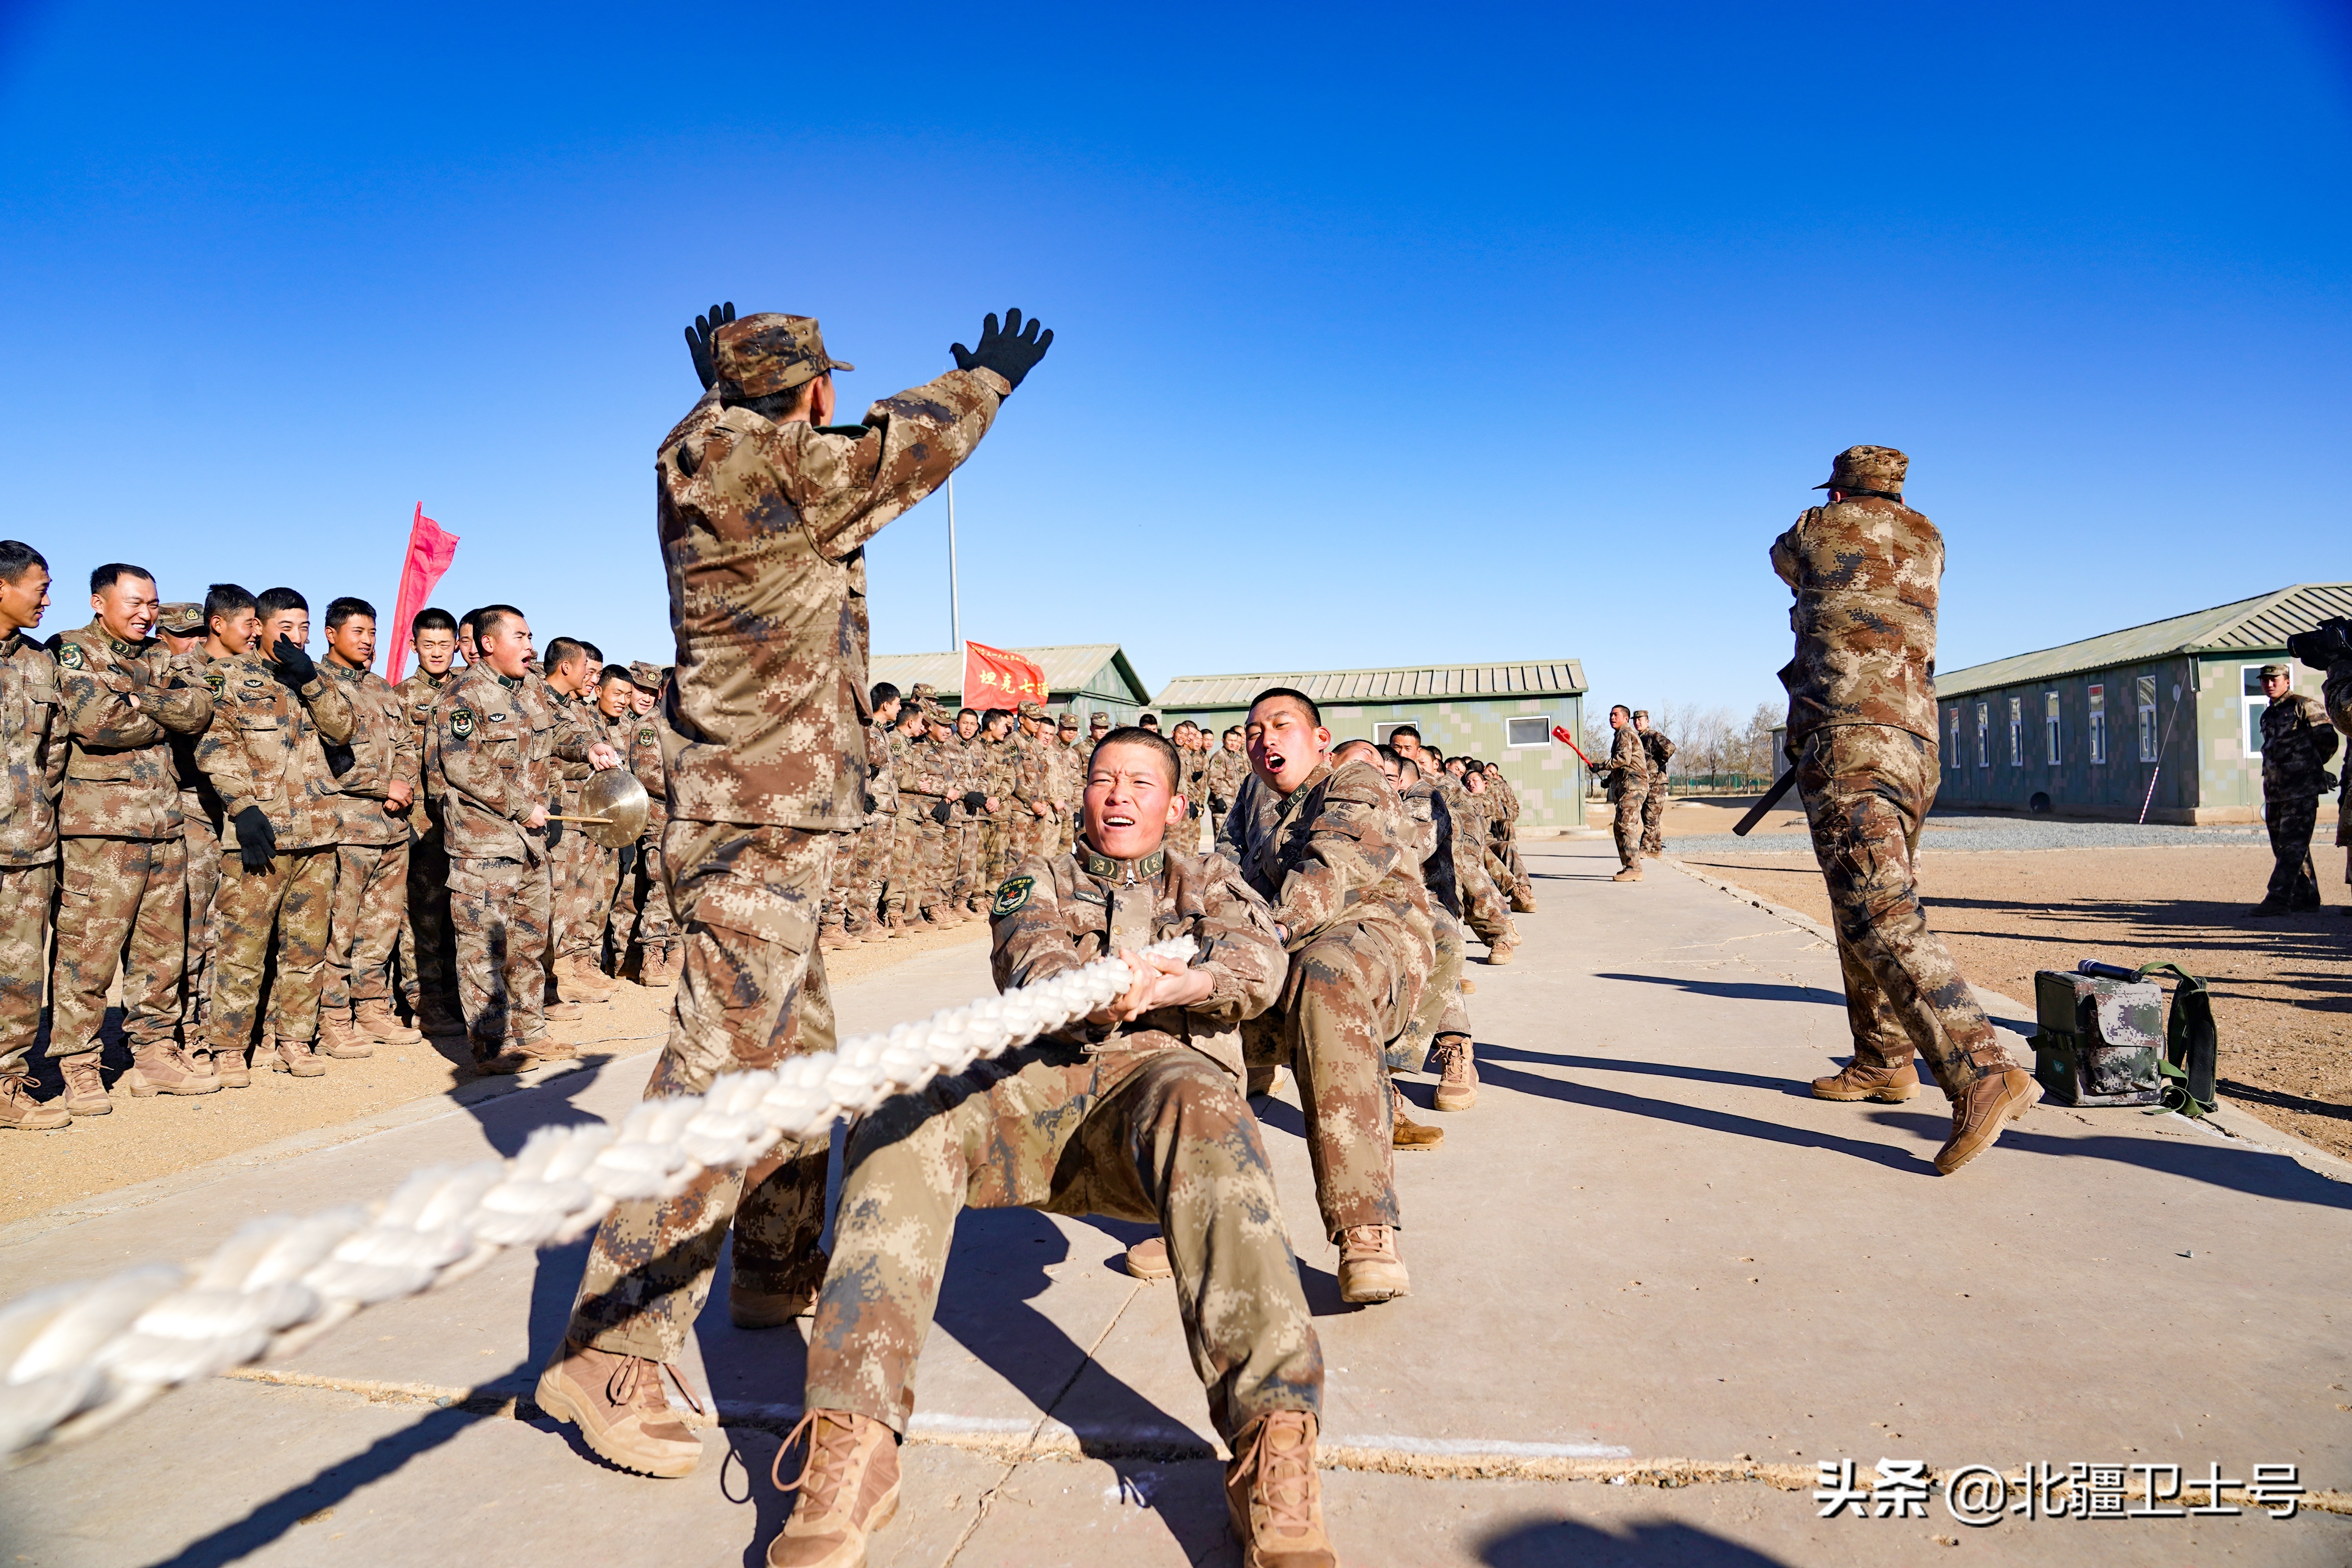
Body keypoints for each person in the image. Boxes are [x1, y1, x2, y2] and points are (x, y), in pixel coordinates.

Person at [537, 303, 1053, 1479]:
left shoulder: (694, 455)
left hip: (755, 808)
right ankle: (609, 1347)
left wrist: (712, 384)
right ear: (808, 392)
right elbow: (903, 450)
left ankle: (772, 1273)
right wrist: (983, 380)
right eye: (823, 384)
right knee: (713, 1070)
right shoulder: (790, 460)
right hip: (758, 815)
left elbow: (736, 429)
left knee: (798, 1054)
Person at [768, 724, 1336, 1568]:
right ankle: (855, 1439)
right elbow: (1029, 954)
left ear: (1176, 804)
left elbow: (1261, 958)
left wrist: (1191, 981)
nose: (1118, 794)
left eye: (1141, 782)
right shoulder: (1035, 877)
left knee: (1212, 1110)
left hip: (1156, 1095)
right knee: (894, 1112)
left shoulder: (1215, 878)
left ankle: (1274, 1447)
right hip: (1031, 1096)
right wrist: (1089, 992)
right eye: (1104, 779)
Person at [1779, 445, 2037, 1174]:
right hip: (1914, 741)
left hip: (1847, 736)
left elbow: (1783, 562)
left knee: (1875, 909)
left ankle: (1981, 1070)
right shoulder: (1929, 535)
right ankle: (1884, 1057)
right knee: (1867, 899)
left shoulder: (1814, 527)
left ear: (1838, 488)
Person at [1230, 688, 1429, 1303]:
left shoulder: (1355, 780)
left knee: (1323, 977)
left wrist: (1267, 935)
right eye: (1253, 731)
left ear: (1320, 739)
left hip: (1373, 941)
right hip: (1281, 946)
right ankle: (1186, 1208)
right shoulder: (1254, 804)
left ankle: (1365, 1228)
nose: (1265, 740)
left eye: (1281, 725)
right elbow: (1223, 873)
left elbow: (1331, 869)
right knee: (1179, 998)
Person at [50, 563, 218, 1108]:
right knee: (89, 954)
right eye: (134, 603)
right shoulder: (72, 650)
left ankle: (154, 1055)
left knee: (162, 953)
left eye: (153, 604)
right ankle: (79, 1064)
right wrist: (159, 707)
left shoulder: (162, 656)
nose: (146, 614)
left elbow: (197, 712)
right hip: (101, 832)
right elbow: (97, 722)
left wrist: (140, 698)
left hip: (164, 825)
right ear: (100, 603)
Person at [424, 604, 613, 1071]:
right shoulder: (461, 696)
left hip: (533, 841)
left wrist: (588, 746)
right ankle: (493, 1046)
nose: (531, 647)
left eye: (531, 637)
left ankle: (532, 1032)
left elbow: (563, 729)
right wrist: (518, 806)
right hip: (484, 843)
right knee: (485, 947)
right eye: (521, 637)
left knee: (528, 942)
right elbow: (465, 766)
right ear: (489, 644)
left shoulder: (530, 688)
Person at [196, 586, 357, 1081]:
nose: (297, 637)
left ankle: (294, 1039)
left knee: (306, 950)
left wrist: (310, 682)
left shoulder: (317, 678)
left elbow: (344, 730)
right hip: (259, 835)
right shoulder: (227, 677)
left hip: (318, 834)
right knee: (242, 946)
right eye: (287, 627)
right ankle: (228, 1046)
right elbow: (215, 746)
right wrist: (241, 807)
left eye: (305, 628)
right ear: (260, 627)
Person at [318, 596, 424, 1055]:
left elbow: (407, 745)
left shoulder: (383, 689)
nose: (367, 641)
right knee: (340, 928)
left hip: (392, 827)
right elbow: (325, 762)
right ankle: (334, 1016)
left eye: (373, 633)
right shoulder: (317, 687)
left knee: (381, 927)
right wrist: (384, 785)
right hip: (348, 826)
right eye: (358, 632)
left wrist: (401, 781)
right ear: (331, 634)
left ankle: (373, 1008)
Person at [1333, 737, 1446, 1152]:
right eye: (1355, 764)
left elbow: (1414, 856)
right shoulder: (1317, 797)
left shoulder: (1404, 805)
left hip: (1378, 906)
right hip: (1314, 912)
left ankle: (1401, 1073)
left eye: (1379, 768)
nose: (1368, 774)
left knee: (1442, 943)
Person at [0, 542, 69, 1129]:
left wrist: (35, 808)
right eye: (39, 588)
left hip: (27, 844)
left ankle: (6, 1085)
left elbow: (55, 752)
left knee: (20, 974)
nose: (47, 599)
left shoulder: (39, 663)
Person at [1383, 745, 1478, 1113]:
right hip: (1368, 899)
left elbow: (1413, 847)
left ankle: (1456, 1046)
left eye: (1388, 778)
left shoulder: (1423, 796)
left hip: (1425, 898)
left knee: (1438, 945)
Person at [154, 597, 231, 1045]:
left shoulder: (212, 675)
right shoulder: (164, 674)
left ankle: (207, 1020)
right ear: (161, 635)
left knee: (218, 923)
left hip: (219, 810)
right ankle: (183, 1025)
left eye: (198, 634)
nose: (192, 643)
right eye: (181, 635)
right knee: (190, 925)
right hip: (185, 811)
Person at [1385, 725, 1515, 963]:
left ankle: (1502, 935)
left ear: (1418, 750)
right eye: (1397, 747)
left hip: (1456, 838)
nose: (1402, 752)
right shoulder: (1386, 772)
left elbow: (1461, 813)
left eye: (1408, 748)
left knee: (1467, 877)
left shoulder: (1434, 781)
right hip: (1417, 848)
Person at [396, 607, 465, 1035]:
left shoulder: (468, 691)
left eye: (445, 644)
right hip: (423, 823)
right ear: (413, 646)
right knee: (423, 915)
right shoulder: (400, 695)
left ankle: (459, 997)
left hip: (466, 822)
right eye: (428, 644)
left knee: (460, 915)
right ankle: (426, 1001)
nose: (437, 652)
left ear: (457, 644)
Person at [539, 636, 614, 1009]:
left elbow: (575, 744)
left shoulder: (576, 708)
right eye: (589, 668)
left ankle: (576, 965)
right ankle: (563, 973)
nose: (591, 677)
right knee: (560, 898)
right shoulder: (538, 700)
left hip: (583, 811)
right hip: (559, 812)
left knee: (583, 896)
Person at [2249, 662, 2337, 915]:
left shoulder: (2304, 705)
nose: (2269, 684)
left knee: (2293, 845)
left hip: (2302, 789)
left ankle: (2278, 899)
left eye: (2275, 679)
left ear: (2287, 681)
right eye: (2265, 680)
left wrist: (2312, 767)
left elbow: (2328, 739)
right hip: (2276, 790)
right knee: (2285, 846)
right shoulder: (2268, 714)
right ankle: (2306, 896)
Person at [1594, 705, 1651, 882]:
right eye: (1610, 715)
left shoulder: (1625, 733)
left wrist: (1601, 766)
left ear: (1626, 718)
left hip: (1634, 787)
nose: (1612, 717)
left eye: (1616, 715)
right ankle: (1629, 867)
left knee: (1626, 825)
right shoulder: (1621, 735)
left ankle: (1635, 868)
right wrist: (1609, 780)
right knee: (1619, 826)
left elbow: (1623, 759)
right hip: (1628, 786)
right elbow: (1626, 763)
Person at [1632, 710, 1674, 859]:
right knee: (1648, 817)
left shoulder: (1653, 736)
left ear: (1647, 722)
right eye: (1635, 720)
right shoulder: (1639, 738)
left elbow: (1670, 747)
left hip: (1657, 783)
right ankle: (1656, 849)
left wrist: (1659, 762)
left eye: (1641, 720)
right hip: (1646, 783)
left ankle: (1643, 849)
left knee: (1651, 818)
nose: (1638, 723)